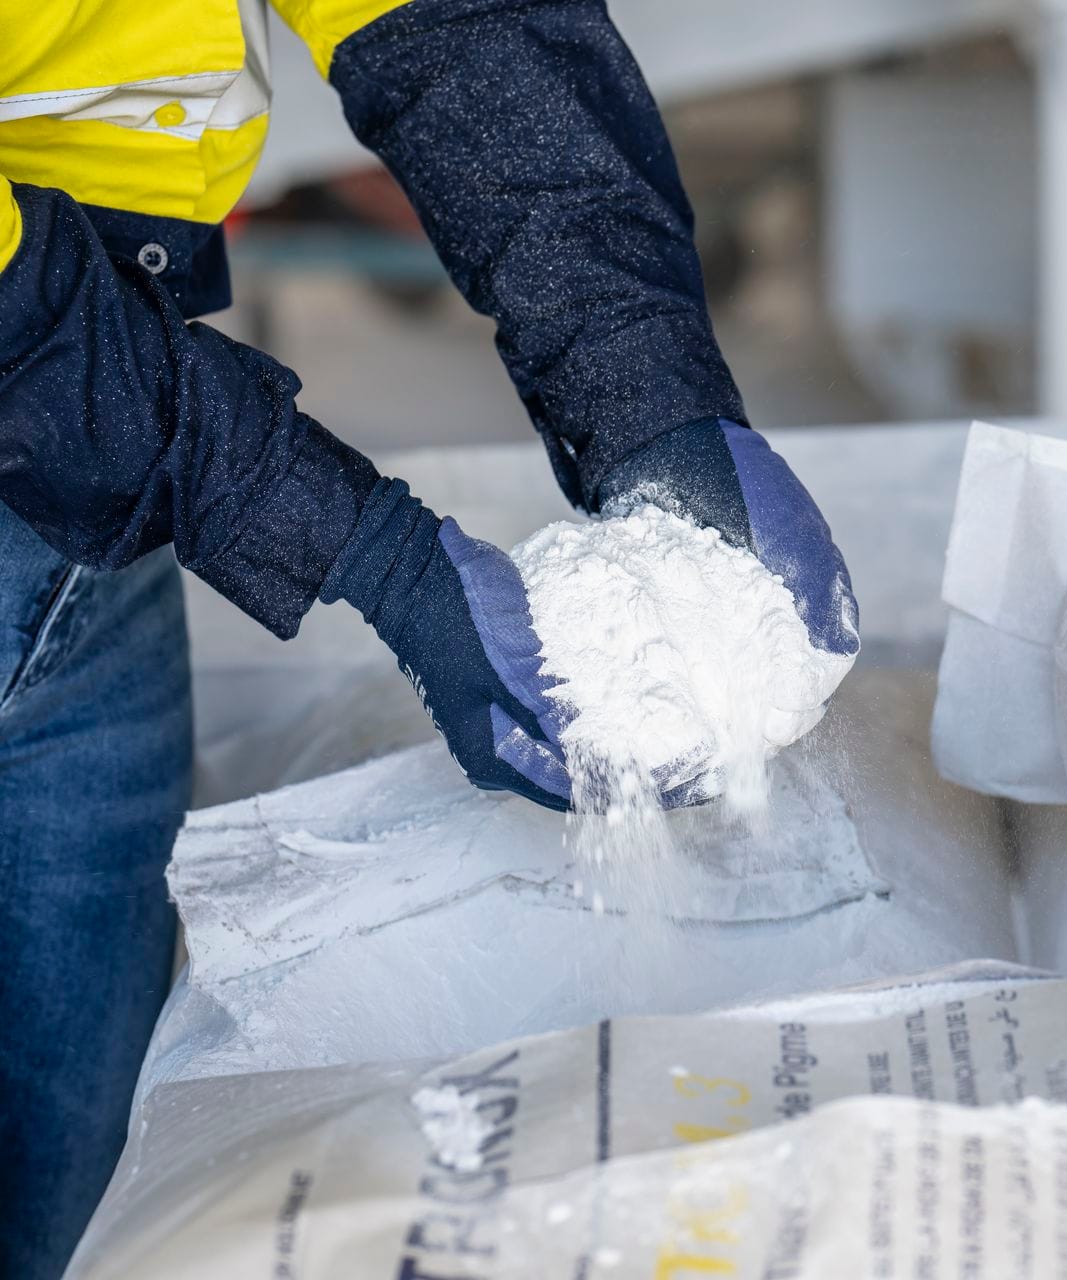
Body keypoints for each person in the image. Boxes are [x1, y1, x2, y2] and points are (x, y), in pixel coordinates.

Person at [0, 2, 859, 1273]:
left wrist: (644, 385)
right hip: (53, 362)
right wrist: (368, 550)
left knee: (76, 1203)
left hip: (86, 462)